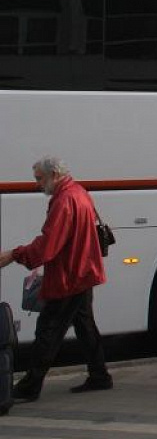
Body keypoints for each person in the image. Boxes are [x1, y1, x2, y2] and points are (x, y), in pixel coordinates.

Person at [0, 157, 111, 400]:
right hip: (84, 271)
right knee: (85, 325)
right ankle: (99, 375)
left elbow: (49, 244)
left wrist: (14, 254)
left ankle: (30, 386)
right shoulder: (78, 192)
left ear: (54, 174)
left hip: (68, 276)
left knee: (48, 330)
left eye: (40, 178)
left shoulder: (64, 200)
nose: (37, 184)